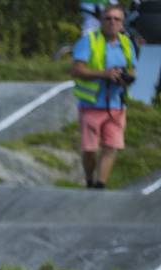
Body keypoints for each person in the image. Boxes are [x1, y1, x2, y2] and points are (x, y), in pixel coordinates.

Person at [73, 3, 136, 188]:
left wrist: (126, 78)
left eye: (117, 19)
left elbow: (132, 70)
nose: (112, 22)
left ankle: (100, 186)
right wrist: (104, 74)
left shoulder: (126, 43)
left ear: (122, 23)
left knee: (111, 146)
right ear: (101, 21)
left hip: (116, 104)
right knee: (90, 149)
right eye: (108, 19)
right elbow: (76, 69)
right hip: (91, 104)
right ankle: (89, 180)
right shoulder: (89, 40)